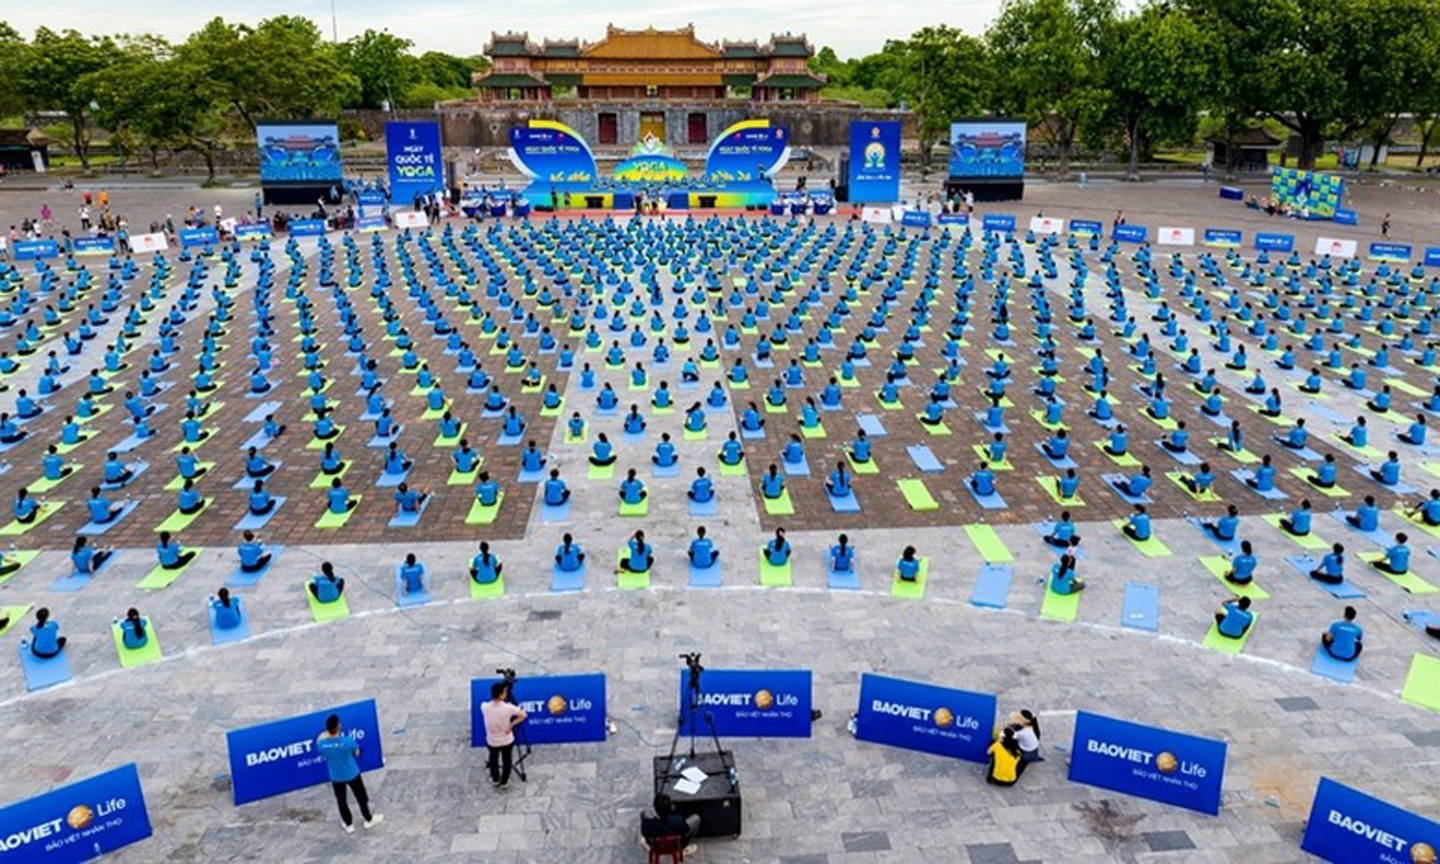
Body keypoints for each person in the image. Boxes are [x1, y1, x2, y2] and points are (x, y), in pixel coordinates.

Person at [317, 713, 382, 832]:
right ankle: (368, 819)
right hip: (352, 774)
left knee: (342, 801)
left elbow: (321, 737)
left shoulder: (322, 744)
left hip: (336, 777)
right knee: (361, 797)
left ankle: (348, 824)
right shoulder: (348, 741)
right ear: (338, 727)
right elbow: (357, 753)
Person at [480, 680, 527, 789]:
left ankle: (495, 778)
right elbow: (523, 715)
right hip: (507, 740)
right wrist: (512, 724)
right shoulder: (509, 708)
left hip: (492, 741)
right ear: (502, 695)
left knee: (493, 759)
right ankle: (505, 780)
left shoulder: (484, 707)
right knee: (507, 759)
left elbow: (485, 704)